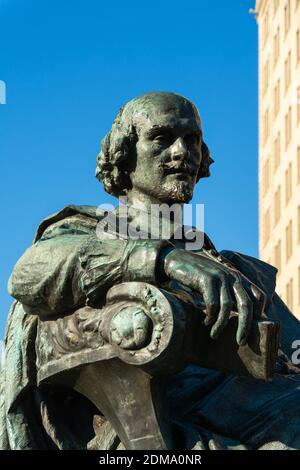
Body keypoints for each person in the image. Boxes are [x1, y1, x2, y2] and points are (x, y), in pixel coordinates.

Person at [1, 92, 300, 450]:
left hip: (267, 404)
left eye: (192, 140)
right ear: (123, 155)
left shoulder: (236, 268)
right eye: (162, 137)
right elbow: (27, 275)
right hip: (175, 420)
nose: (182, 152)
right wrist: (164, 260)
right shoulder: (88, 232)